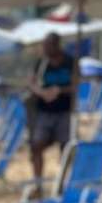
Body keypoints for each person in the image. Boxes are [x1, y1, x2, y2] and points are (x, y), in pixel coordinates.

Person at [28, 32, 75, 187]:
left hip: (64, 112)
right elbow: (32, 83)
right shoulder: (41, 63)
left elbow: (75, 85)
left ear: (56, 45)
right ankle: (38, 184)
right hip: (44, 112)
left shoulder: (70, 62)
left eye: (47, 46)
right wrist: (42, 93)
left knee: (65, 149)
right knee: (36, 146)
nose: (45, 49)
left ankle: (61, 183)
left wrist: (59, 90)